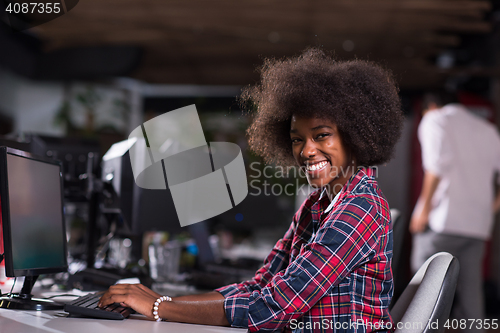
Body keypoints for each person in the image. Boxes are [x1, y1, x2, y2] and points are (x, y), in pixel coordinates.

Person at [99, 48, 404, 332]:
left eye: (321, 136)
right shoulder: (317, 205)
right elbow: (260, 286)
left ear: (355, 135)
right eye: (297, 139)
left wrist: (158, 306)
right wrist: (163, 301)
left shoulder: (358, 207)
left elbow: (272, 308)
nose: (307, 151)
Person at [410, 92, 500, 332]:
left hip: (442, 222)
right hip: (478, 226)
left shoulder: (434, 119)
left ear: (432, 106)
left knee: (422, 287)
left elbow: (435, 166)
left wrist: (424, 210)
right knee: (471, 291)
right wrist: (491, 207)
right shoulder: (487, 130)